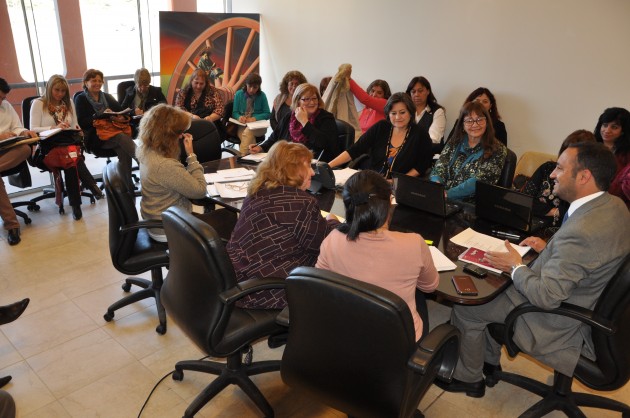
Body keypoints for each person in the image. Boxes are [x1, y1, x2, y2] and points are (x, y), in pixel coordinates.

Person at [435, 142, 630, 398]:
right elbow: (587, 257)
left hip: (556, 319)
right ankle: (489, 363)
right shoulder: (614, 206)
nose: (551, 174)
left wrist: (515, 266)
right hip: (587, 296)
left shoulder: (582, 233)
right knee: (495, 287)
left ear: (584, 177)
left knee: (468, 306)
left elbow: (546, 297)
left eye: (560, 168)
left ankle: (468, 378)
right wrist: (549, 247)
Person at [315, 170, 439, 341]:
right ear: (389, 203)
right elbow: (430, 286)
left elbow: (320, 287)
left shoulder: (332, 239)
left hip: (345, 332)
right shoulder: (414, 243)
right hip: (397, 341)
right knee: (418, 295)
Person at [226, 141, 340, 309]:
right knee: (337, 266)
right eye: (308, 166)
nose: (312, 173)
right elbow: (320, 244)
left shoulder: (257, 191)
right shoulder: (302, 203)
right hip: (268, 291)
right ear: (292, 169)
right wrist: (334, 222)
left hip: (238, 278)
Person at [137, 104, 236, 242]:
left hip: (156, 218)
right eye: (179, 133)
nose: (181, 136)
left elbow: (173, 179)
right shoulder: (164, 165)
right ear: (168, 136)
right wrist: (191, 155)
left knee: (215, 214)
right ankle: (218, 260)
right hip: (168, 228)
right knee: (229, 216)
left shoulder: (145, 150)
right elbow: (200, 191)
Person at [29, 74, 104, 220]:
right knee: (72, 160)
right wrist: (54, 127)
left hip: (68, 143)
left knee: (70, 160)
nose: (60, 94)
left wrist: (77, 129)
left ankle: (77, 204)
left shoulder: (68, 102)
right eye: (57, 90)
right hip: (48, 146)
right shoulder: (38, 103)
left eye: (63, 91)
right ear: (49, 88)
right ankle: (83, 197)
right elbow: (33, 128)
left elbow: (75, 123)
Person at [328, 93, 433, 178]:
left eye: (402, 112)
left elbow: (421, 166)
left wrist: (398, 182)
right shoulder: (381, 127)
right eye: (393, 113)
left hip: (401, 187)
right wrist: (328, 166)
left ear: (410, 112)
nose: (397, 117)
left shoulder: (420, 134)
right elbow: (355, 149)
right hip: (374, 182)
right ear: (388, 114)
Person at [430, 101, 507, 201]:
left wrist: (447, 194)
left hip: (470, 207)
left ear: (487, 122)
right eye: (469, 121)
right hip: (441, 198)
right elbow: (439, 167)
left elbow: (479, 182)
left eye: (479, 120)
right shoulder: (454, 142)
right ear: (462, 124)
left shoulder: (498, 149)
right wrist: (436, 185)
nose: (475, 125)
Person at [75, 69, 137, 190]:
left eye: (99, 80)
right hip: (95, 138)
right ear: (86, 82)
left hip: (113, 132)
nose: (97, 83)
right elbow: (82, 122)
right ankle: (143, 161)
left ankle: (126, 185)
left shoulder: (107, 97)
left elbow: (121, 112)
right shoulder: (81, 99)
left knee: (123, 147)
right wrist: (99, 115)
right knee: (122, 138)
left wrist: (118, 115)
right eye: (93, 80)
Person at [249, 83, 339, 162]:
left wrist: (304, 122)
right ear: (298, 101)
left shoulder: (326, 118)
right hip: (287, 161)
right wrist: (261, 147)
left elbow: (323, 143)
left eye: (314, 98)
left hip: (313, 164)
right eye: (306, 99)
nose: (311, 102)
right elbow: (275, 137)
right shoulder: (289, 116)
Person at [522, 129, 596, 226]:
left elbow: (573, 216)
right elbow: (523, 200)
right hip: (529, 223)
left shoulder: (586, 182)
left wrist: (542, 209)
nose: (553, 175)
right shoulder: (547, 168)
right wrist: (555, 212)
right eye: (564, 151)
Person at [0, 77, 37, 246]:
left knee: (25, 149)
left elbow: (16, 127)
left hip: (8, 151)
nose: (2, 101)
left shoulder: (5, 106)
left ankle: (11, 224)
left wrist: (24, 133)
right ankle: (12, 225)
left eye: (3, 98)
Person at [594, 107, 630, 208]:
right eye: (605, 125)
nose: (607, 130)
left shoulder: (626, 156)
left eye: (614, 127)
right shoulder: (590, 146)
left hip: (615, 204)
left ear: (623, 131)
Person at [231, 73, 270, 154]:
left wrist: (254, 118)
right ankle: (251, 162)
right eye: (250, 86)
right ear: (246, 85)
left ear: (259, 87)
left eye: (255, 87)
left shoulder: (262, 96)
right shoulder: (239, 94)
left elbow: (267, 113)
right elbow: (234, 113)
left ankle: (241, 159)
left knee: (247, 133)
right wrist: (239, 117)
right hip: (243, 125)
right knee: (248, 140)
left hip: (259, 126)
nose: (252, 90)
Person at [405, 76, 446, 154]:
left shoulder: (438, 112)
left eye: (420, 91)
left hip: (428, 154)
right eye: (413, 92)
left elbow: (433, 139)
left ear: (428, 91)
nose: (416, 94)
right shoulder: (405, 111)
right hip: (407, 153)